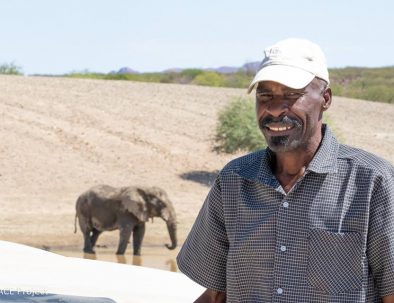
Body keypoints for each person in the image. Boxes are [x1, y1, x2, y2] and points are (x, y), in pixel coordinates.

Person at [177, 38, 394, 302]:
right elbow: (217, 294)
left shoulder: (373, 182)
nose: (275, 108)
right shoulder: (233, 181)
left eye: (292, 95)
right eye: (264, 95)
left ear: (325, 99)